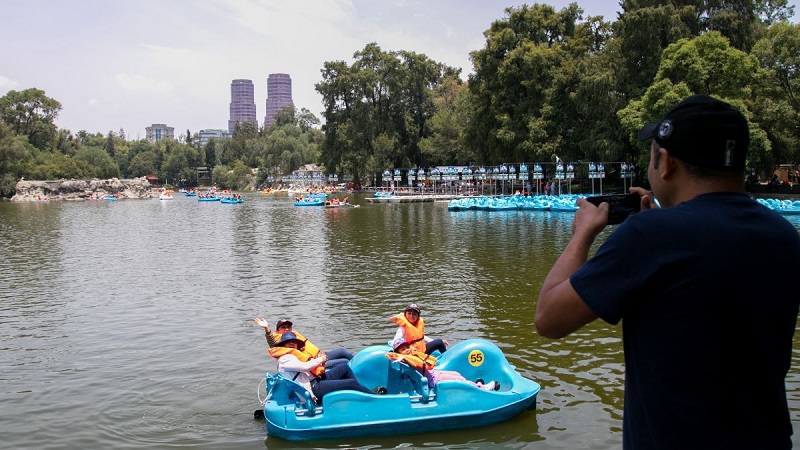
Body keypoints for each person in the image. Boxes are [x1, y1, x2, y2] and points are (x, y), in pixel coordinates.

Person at [534, 94, 800, 449]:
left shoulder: (649, 237)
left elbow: (549, 318)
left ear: (666, 162)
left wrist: (583, 233)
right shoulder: (785, 236)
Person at [268, 332, 384, 403]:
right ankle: (373, 397)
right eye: (289, 342)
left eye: (294, 341)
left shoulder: (294, 355)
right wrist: (322, 359)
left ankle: (361, 392)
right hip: (313, 388)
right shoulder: (284, 359)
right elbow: (305, 367)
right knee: (350, 383)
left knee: (344, 367)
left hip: (316, 379)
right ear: (283, 345)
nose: (292, 343)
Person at [386, 340, 499, 391]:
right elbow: (412, 365)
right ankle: (482, 388)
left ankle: (476, 385)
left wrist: (408, 353)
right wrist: (404, 357)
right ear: (398, 352)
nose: (406, 351)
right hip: (433, 380)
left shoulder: (410, 355)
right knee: (460, 381)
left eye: (406, 348)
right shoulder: (407, 360)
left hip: (435, 374)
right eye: (403, 350)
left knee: (457, 374)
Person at [254, 317, 354, 369]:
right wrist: (267, 329)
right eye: (283, 327)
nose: (287, 329)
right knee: (344, 362)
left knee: (342, 351)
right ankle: (358, 374)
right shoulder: (281, 342)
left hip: (319, 356)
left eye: (289, 327)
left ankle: (362, 365)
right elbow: (273, 343)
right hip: (313, 363)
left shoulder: (293, 336)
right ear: (278, 330)